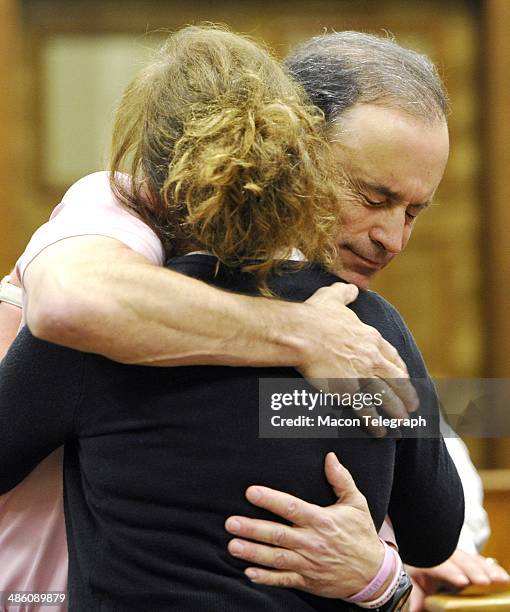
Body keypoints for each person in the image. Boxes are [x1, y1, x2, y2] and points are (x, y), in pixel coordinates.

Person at [0, 26, 505, 608]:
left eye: (414, 211)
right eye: (371, 197)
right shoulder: (116, 216)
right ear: (297, 152)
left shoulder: (361, 332)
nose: (392, 238)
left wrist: (380, 575)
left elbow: (442, 490)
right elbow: (74, 304)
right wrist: (301, 336)